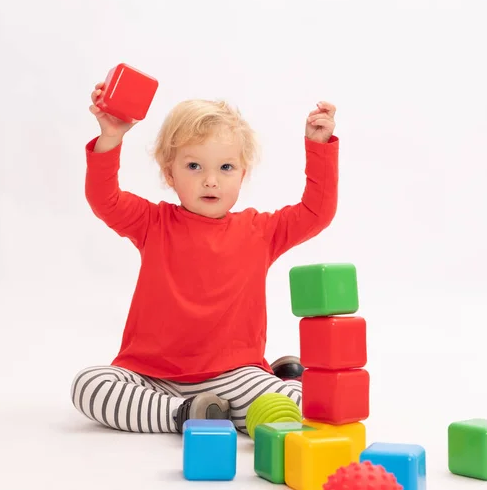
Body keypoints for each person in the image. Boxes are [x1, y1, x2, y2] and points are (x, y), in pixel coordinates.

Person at [71, 81, 339, 434]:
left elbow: (316, 212)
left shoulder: (261, 231)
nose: (211, 181)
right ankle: (185, 414)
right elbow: (104, 199)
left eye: (226, 168)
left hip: (234, 376)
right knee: (89, 387)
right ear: (170, 174)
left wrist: (318, 146)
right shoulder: (152, 222)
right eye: (194, 166)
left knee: (303, 407)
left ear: (244, 173)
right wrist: (111, 138)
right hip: (153, 378)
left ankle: (271, 384)